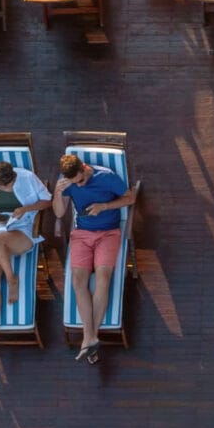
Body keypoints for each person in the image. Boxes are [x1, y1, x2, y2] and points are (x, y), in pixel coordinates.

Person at [56, 151, 139, 363]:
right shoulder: (67, 182)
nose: (79, 185)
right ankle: (90, 337)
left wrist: (104, 206)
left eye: (81, 181)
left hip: (108, 232)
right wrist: (58, 192)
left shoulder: (106, 176)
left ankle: (88, 338)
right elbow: (58, 213)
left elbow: (130, 197)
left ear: (84, 167)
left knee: (103, 277)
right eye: (75, 183)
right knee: (78, 281)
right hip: (82, 234)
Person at [0, 159, 50, 351]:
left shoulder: (27, 177)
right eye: (1, 185)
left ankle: (11, 278)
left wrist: (25, 209)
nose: (6, 187)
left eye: (9, 184)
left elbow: (47, 201)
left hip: (21, 227)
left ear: (14, 176)